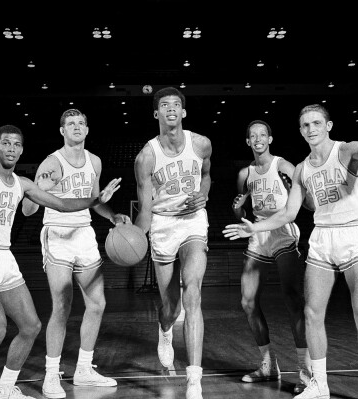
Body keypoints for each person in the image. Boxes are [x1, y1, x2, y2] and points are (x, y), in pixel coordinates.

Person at [0, 125, 122, 399]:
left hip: (5, 256)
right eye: (6, 143)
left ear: (22, 149)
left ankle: (4, 389)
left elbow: (60, 204)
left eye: (16, 144)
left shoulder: (22, 184)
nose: (11, 148)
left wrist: (96, 199)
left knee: (31, 326)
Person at [224, 105, 358, 399]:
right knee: (311, 312)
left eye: (316, 123)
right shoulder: (302, 169)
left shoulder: (347, 150)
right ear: (300, 130)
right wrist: (253, 229)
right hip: (322, 237)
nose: (311, 129)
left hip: (353, 232)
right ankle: (318, 384)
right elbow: (288, 213)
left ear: (329, 125)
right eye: (305, 125)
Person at [21, 108, 130, 398]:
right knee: (62, 305)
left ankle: (83, 370)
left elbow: (93, 200)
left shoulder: (94, 161)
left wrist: (113, 215)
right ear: (62, 131)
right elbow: (28, 208)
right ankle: (51, 374)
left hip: (84, 233)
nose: (77, 126)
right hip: (57, 234)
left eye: (81, 122)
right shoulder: (52, 163)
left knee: (97, 304)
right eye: (71, 123)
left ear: (87, 129)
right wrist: (38, 189)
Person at [133, 87, 212, 399]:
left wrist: (204, 191)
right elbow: (145, 210)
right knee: (171, 306)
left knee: (193, 290)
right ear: (157, 114)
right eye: (164, 105)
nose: (170, 110)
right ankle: (165, 331)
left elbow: (206, 175)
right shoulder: (146, 157)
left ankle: (194, 379)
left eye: (176, 105)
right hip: (163, 223)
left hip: (194, 221)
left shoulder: (201, 143)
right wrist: (133, 237)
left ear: (183, 112)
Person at [231, 120, 311, 394]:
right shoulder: (245, 174)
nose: (257, 139)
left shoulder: (283, 165)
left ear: (270, 138)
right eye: (252, 136)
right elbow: (242, 216)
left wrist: (294, 189)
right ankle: (267, 365)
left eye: (262, 134)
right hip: (258, 233)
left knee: (292, 298)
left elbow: (306, 202)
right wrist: (239, 210)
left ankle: (306, 371)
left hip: (283, 231)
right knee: (247, 300)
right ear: (248, 142)